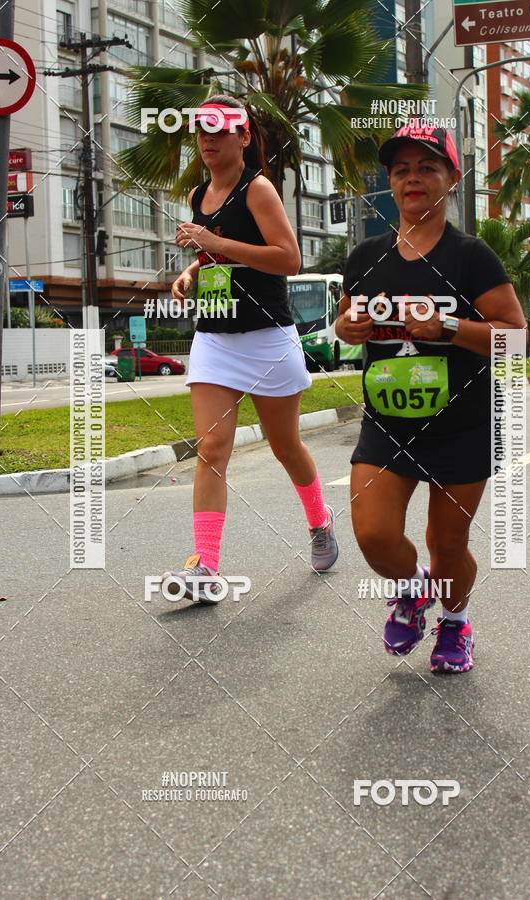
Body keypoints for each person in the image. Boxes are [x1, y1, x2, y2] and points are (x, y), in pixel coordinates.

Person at [335, 122, 526, 673]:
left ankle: (455, 621)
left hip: (461, 424)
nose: (412, 178)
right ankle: (414, 591)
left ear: (451, 179)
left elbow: (515, 338)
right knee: (373, 534)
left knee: (447, 547)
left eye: (427, 167)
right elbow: (348, 319)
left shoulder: (472, 256)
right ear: (390, 184)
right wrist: (347, 329)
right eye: (401, 170)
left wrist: (448, 326)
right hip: (387, 425)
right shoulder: (365, 254)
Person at [163, 95, 338, 602]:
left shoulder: (257, 188)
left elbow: (288, 258)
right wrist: (193, 270)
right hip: (215, 337)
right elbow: (220, 252)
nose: (209, 140)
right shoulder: (200, 193)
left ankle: (320, 520)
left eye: (221, 131)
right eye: (201, 132)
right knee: (212, 449)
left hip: (266, 337)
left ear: (243, 137)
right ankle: (205, 568)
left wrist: (207, 242)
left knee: (285, 447)